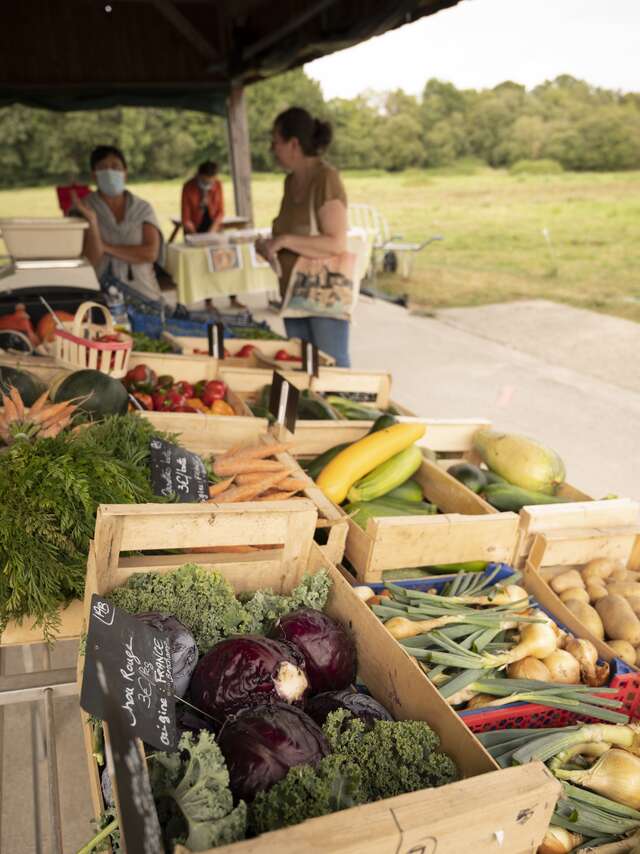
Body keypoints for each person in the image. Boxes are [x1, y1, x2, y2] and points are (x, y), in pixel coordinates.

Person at [256, 107, 350, 366]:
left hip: (323, 296)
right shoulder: (290, 182)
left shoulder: (325, 179)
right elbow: (288, 231)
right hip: (292, 294)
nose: (272, 149)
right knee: (301, 367)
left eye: (276, 142)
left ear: (294, 144)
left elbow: (336, 242)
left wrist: (284, 241)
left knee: (332, 370)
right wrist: (269, 246)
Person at [72, 145, 164, 304]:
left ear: (125, 172)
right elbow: (89, 261)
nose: (110, 172)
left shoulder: (142, 208)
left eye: (115, 167)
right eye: (103, 168)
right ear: (94, 174)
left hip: (144, 294)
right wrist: (93, 222)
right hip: (100, 297)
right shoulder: (82, 209)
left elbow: (150, 253)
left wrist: (105, 247)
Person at [181, 161, 245, 311]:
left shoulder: (218, 185)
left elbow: (220, 212)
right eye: (205, 180)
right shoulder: (188, 187)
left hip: (214, 229)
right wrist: (194, 234)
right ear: (199, 175)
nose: (208, 183)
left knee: (226, 261)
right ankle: (208, 302)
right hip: (196, 229)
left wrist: (213, 230)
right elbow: (186, 216)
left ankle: (233, 297)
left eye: (211, 180)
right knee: (204, 266)